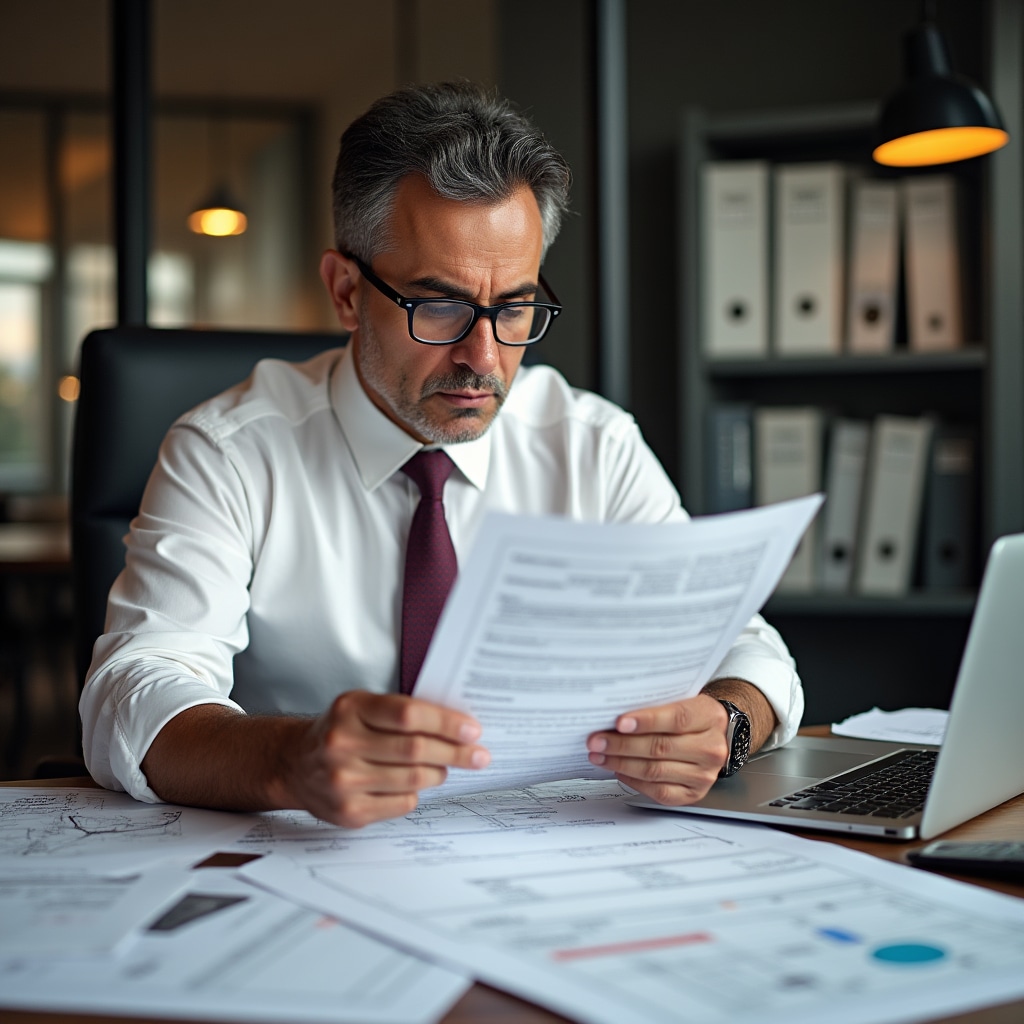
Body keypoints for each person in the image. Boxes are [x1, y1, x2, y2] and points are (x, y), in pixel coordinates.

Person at [80, 81, 802, 828]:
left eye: (514, 306)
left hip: (546, 859)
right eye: (441, 306)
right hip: (311, 860)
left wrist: (728, 724)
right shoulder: (229, 453)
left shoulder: (591, 446)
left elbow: (746, 647)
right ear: (347, 292)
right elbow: (134, 690)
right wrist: (289, 760)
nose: (483, 357)